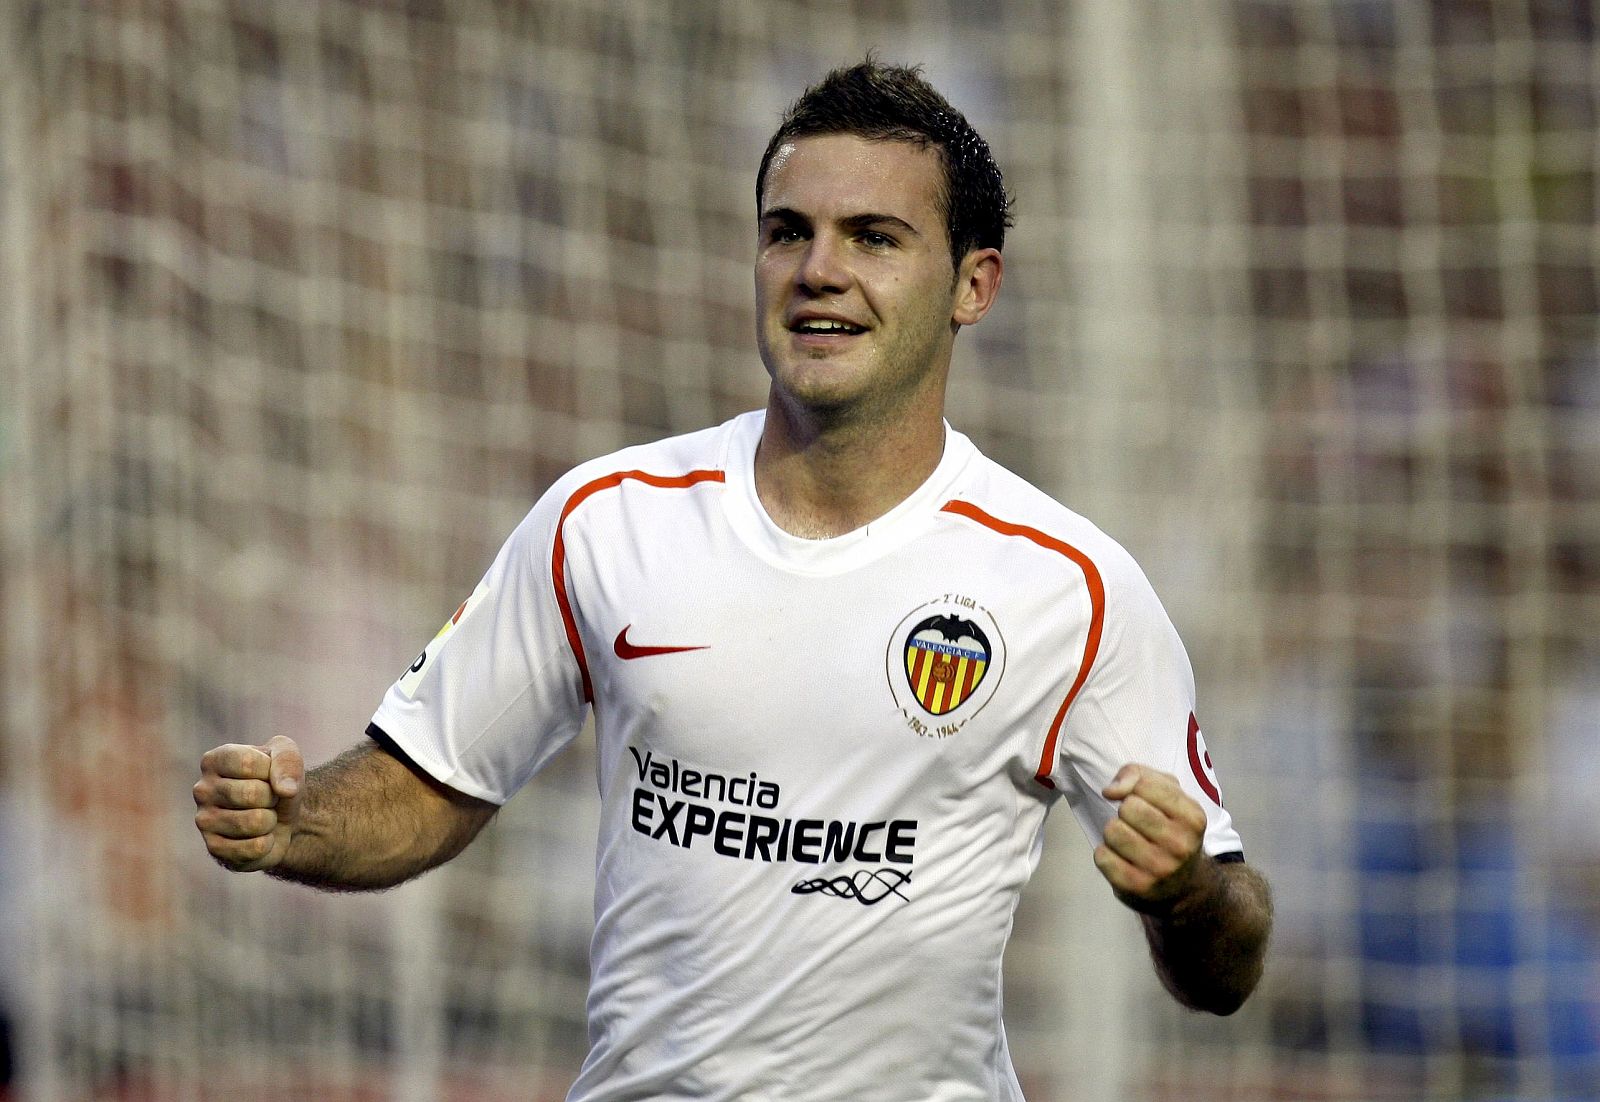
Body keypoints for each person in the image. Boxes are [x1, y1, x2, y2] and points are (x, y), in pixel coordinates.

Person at [194, 59, 1271, 1100]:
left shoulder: (1068, 587)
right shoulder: (604, 520)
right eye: (786, 232)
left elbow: (1226, 961)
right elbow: (430, 778)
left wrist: (1182, 894)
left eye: (875, 238)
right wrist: (300, 822)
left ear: (971, 286)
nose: (819, 270)